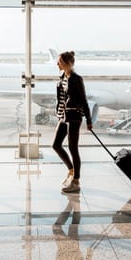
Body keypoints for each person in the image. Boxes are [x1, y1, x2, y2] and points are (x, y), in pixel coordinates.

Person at [53, 51, 93, 193]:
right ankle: (71, 170)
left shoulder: (76, 79)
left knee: (72, 148)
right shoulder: (62, 78)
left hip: (74, 116)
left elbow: (83, 100)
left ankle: (76, 181)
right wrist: (58, 113)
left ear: (68, 63)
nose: (57, 64)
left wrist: (89, 120)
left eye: (60, 62)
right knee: (56, 145)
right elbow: (61, 99)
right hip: (64, 116)